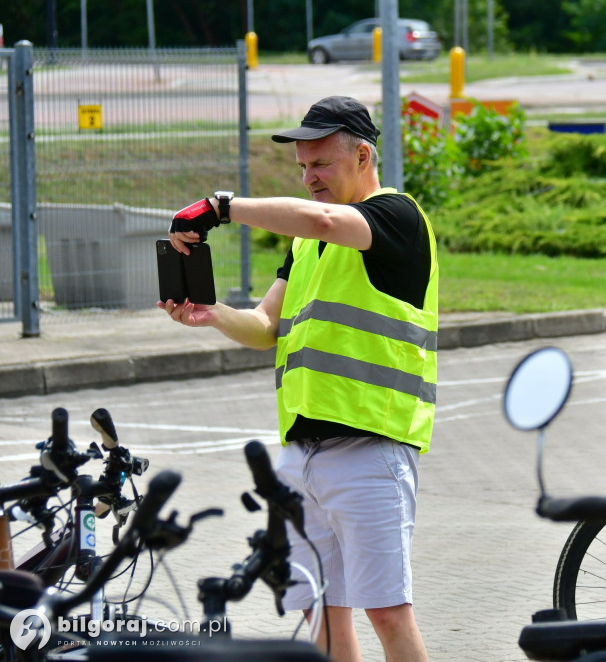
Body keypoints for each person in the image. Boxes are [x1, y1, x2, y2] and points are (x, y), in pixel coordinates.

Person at [160, 95, 436, 661]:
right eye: (302, 168)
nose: (310, 178)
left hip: (370, 451)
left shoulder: (397, 216)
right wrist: (212, 314)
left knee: (386, 610)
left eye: (321, 165)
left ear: (363, 156)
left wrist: (223, 207)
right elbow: (266, 325)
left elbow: (327, 219)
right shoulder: (308, 242)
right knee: (320, 611)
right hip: (301, 454)